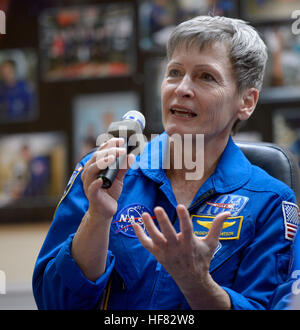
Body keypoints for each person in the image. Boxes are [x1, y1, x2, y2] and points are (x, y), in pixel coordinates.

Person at [33, 15, 298, 310]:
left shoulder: (271, 201)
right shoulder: (104, 171)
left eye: (206, 77)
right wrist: (97, 217)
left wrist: (196, 282)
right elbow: (52, 302)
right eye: (174, 72)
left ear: (246, 102)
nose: (182, 88)